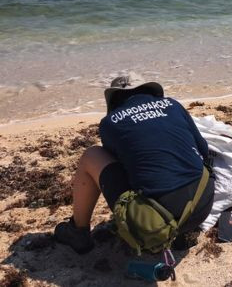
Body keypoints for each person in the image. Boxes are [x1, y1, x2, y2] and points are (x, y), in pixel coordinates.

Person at [54, 76, 215, 254]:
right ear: (151, 92)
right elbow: (204, 149)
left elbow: (121, 167)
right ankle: (184, 231)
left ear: (114, 100)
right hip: (202, 205)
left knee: (91, 155)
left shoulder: (110, 122)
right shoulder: (173, 105)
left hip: (153, 222)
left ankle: (78, 231)